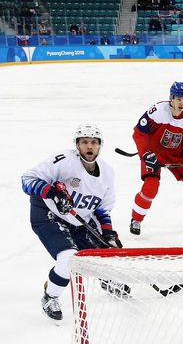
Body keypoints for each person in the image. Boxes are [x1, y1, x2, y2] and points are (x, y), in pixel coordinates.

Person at [21, 123, 122, 322]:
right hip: (47, 213)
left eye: (94, 142)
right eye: (84, 142)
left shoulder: (107, 173)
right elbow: (28, 179)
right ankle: (50, 296)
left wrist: (108, 233)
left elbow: (102, 208)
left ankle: (105, 278)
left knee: (107, 253)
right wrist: (51, 192)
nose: (89, 146)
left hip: (78, 218)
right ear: (77, 145)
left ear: (100, 145)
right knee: (68, 257)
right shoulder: (64, 160)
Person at [129, 82, 183, 235]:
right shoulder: (157, 111)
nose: (182, 102)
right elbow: (139, 133)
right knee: (151, 187)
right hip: (153, 154)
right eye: (178, 99)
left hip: (176, 155)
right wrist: (145, 154)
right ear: (171, 98)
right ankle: (136, 219)